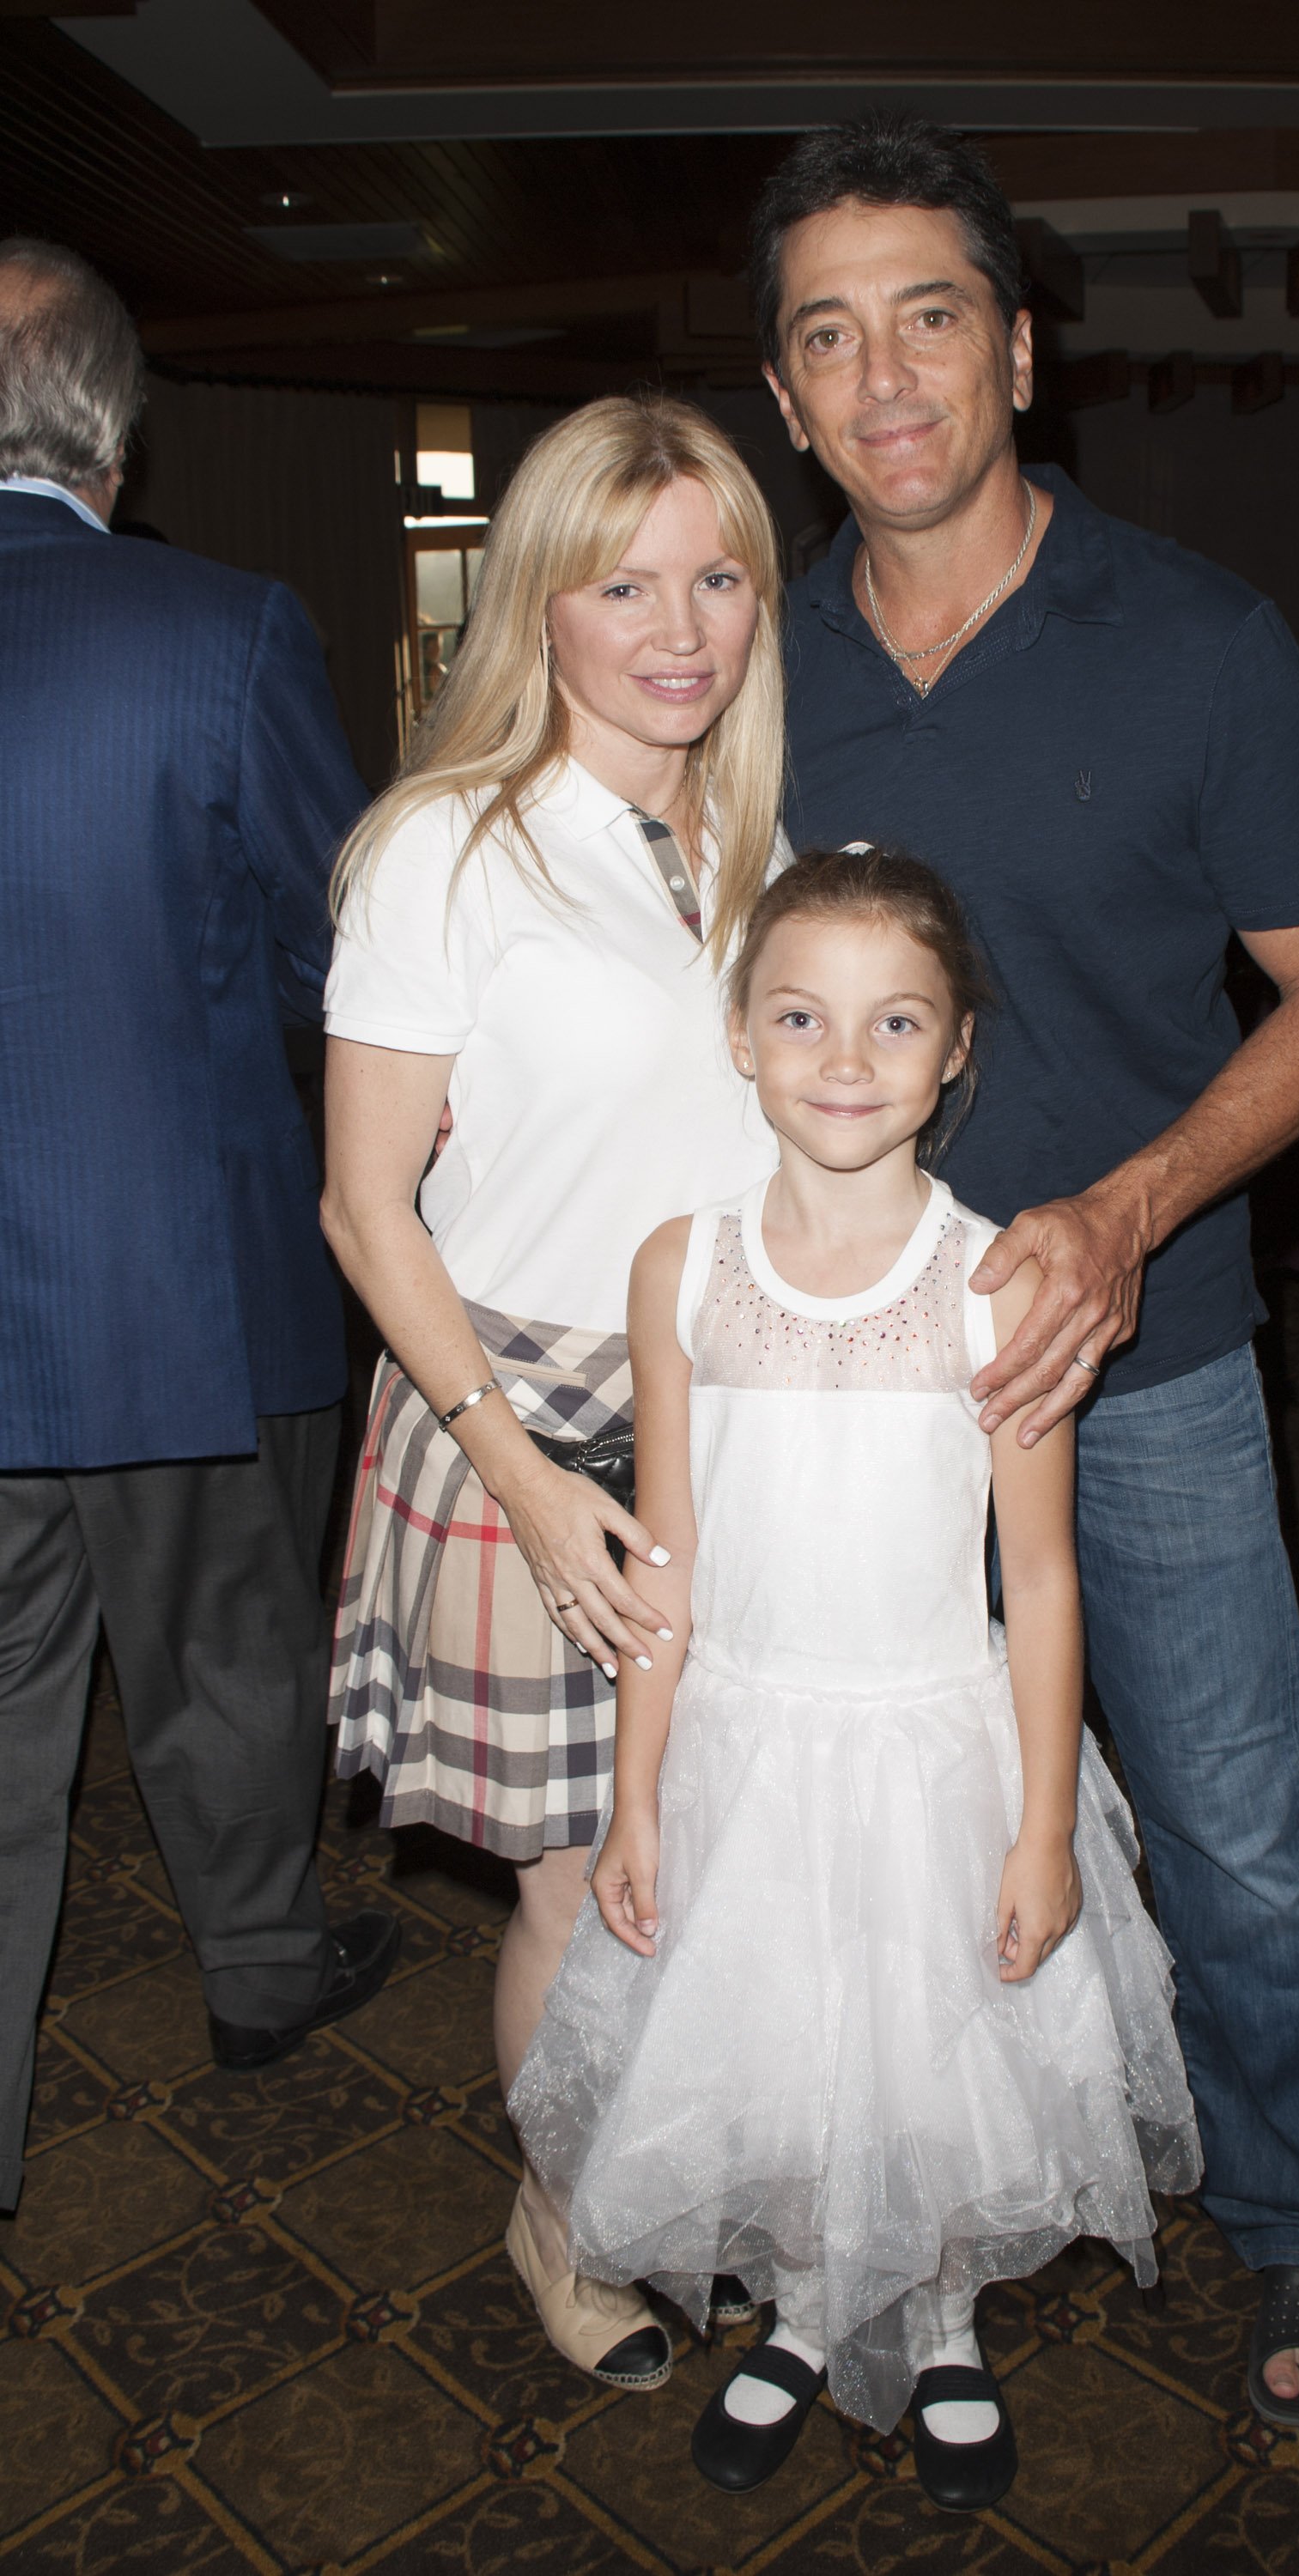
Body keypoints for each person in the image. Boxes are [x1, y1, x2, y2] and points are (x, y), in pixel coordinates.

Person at [753, 116, 1299, 2428]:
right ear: (785, 393)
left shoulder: (1195, 641)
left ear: (1017, 347)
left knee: (1225, 1812)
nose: (884, 373)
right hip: (825, 1386)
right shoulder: (750, 663)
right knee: (836, 1814)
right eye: (826, 335)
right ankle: (875, 2216)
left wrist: (1123, 1216)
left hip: (1141, 1359)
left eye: (928, 314)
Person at [511, 849, 1201, 2510]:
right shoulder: (683, 1264)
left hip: (930, 1744)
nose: (842, 1057)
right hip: (745, 1739)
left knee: (933, 2051)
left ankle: (942, 2311)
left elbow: (1036, 1578)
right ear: (739, 1036)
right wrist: (637, 1795)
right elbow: (665, 1554)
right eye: (801, 1016)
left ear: (956, 1048)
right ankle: (818, 2302)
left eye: (895, 1022)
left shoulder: (996, 1283)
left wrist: (1043, 1824)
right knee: (785, 2039)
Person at [322, 396, 784, 2389]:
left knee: (727, 1868)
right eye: (622, 583)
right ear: (541, 603)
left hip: (731, 1422)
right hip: (518, 1424)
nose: (678, 628)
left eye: (716, 577)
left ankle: (681, 2182)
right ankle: (571, 2212)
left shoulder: (758, 845)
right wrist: (517, 1475)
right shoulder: (450, 846)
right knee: (580, 1892)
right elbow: (359, 1204)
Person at [0, 237, 398, 2216]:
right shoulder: (222, 631)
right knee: (233, 1655)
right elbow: (358, 949)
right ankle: (256, 1975)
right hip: (182, 1284)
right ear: (115, 427)